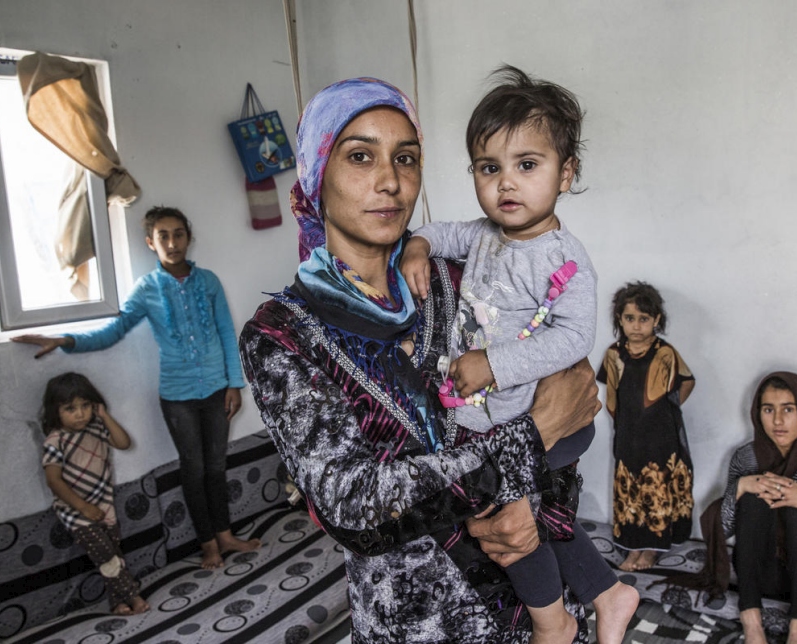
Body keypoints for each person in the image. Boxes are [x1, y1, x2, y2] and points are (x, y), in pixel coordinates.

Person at [239, 77, 639, 644]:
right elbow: (356, 508)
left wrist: (532, 504)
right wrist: (531, 441)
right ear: (315, 175)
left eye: (406, 158)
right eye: (359, 156)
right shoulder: (283, 335)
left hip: (536, 609)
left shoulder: (460, 281)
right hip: (421, 621)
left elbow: (571, 399)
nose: (390, 181)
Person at [400, 65, 615, 644]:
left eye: (527, 165)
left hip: (533, 416)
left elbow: (573, 339)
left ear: (565, 174)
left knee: (508, 523)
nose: (506, 184)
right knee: (536, 518)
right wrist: (418, 245)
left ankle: (554, 626)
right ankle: (611, 595)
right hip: (488, 419)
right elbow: (439, 233)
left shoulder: (563, 258)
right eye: (489, 168)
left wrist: (493, 366)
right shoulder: (482, 235)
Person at [13, 207, 259, 569]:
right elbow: (113, 331)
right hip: (177, 397)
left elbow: (226, 331)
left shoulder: (209, 282)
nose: (172, 243)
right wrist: (64, 339)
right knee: (193, 469)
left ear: (188, 238)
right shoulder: (147, 289)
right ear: (150, 242)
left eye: (178, 234)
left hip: (217, 390)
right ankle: (208, 545)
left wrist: (235, 384)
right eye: (164, 236)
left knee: (215, 468)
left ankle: (225, 536)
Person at [671, 372, 797, 644]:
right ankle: (752, 621)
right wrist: (741, 487)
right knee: (752, 496)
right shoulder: (746, 457)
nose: (778, 421)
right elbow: (723, 530)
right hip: (763, 577)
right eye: (768, 409)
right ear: (758, 413)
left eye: (788, 410)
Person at [596, 282, 695, 572]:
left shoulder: (665, 353)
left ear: (656, 320)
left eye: (644, 319)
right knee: (630, 492)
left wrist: (669, 409)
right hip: (628, 435)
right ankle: (632, 547)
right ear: (620, 320)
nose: (637, 326)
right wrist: (624, 424)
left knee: (657, 490)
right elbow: (612, 393)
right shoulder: (613, 354)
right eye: (630, 318)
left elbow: (687, 381)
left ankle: (651, 550)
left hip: (661, 437)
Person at [39, 372, 149, 615]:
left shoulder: (96, 428)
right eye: (70, 408)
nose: (80, 413)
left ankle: (116, 602)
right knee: (106, 553)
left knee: (112, 553)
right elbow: (54, 481)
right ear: (55, 410)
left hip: (103, 502)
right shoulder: (55, 441)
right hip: (75, 510)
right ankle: (132, 595)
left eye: (85, 406)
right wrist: (83, 507)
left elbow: (123, 443)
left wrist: (104, 415)